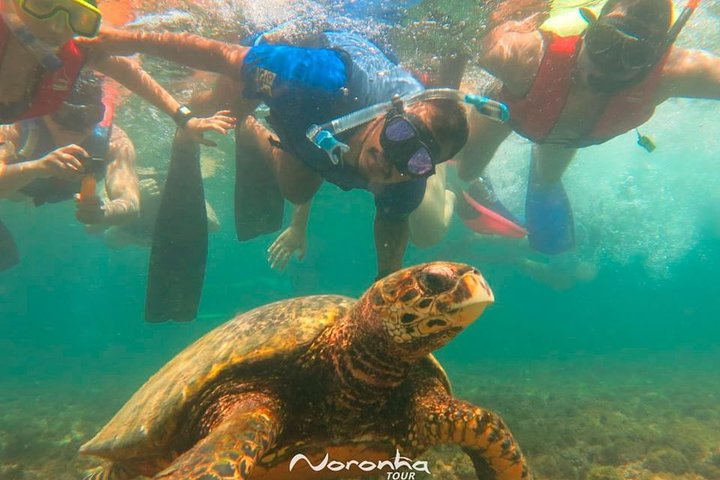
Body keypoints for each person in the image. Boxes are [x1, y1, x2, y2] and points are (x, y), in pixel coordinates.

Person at [82, 28, 508, 279]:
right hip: (299, 89)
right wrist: (114, 39)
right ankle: (247, 124)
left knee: (305, 192)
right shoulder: (323, 77)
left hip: (323, 135)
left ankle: (449, 176)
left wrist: (385, 282)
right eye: (398, 136)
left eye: (415, 162)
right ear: (390, 113)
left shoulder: (405, 181)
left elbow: (393, 220)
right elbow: (216, 52)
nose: (391, 162)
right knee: (219, 110)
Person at [453, 0, 720, 254]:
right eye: (603, 42)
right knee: (466, 171)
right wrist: (446, 110)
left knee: (548, 178)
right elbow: (455, 42)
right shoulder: (524, 56)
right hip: (506, 112)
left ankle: (542, 173)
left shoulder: (672, 73)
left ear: (658, 55)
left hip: (568, 137)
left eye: (635, 54)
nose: (608, 65)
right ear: (590, 27)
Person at [0, 0, 233, 140]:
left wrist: (184, 118)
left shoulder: (77, 52)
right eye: (42, 4)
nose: (56, 25)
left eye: (79, 18)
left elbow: (127, 72)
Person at [0, 72, 139, 268]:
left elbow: (130, 204)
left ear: (100, 115)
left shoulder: (115, 142)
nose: (75, 126)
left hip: (50, 191)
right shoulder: (17, 127)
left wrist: (104, 213)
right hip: (14, 192)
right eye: (64, 113)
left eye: (89, 116)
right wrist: (37, 167)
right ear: (46, 109)